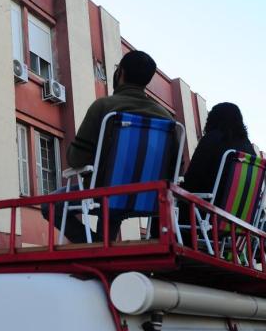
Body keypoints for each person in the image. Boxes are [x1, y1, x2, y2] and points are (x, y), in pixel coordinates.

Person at [42, 50, 176, 243]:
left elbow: (76, 159)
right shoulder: (167, 118)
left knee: (50, 205)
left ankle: (94, 247)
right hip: (149, 198)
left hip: (104, 192)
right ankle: (102, 247)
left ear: (120, 73)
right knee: (114, 206)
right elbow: (174, 168)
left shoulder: (104, 107)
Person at [182, 102, 255, 194]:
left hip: (207, 204)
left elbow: (193, 177)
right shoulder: (249, 150)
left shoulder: (212, 139)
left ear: (212, 119)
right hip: (241, 207)